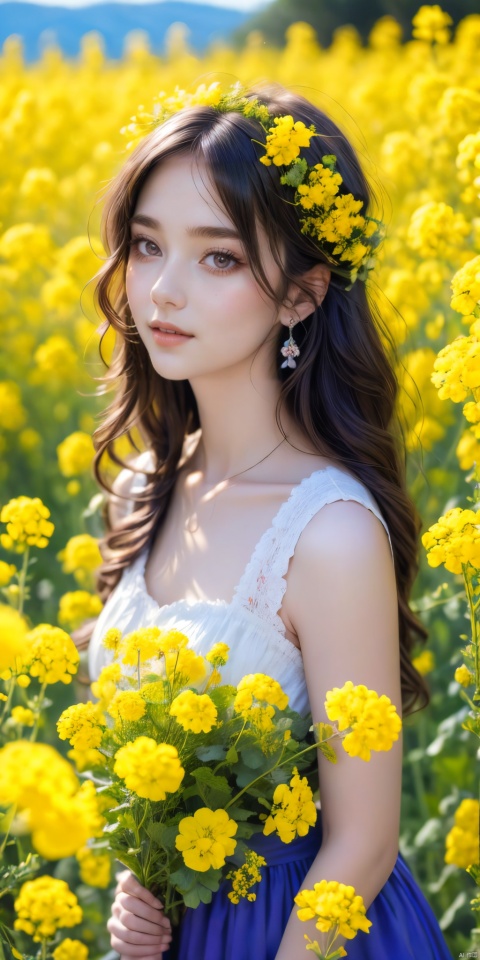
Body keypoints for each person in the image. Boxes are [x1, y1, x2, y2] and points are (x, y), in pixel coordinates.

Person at [80, 80, 454, 959]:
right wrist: (143, 881)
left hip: (303, 935)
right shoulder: (143, 488)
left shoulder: (329, 533)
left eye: (218, 258)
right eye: (146, 246)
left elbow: (363, 843)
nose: (162, 291)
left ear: (301, 294)